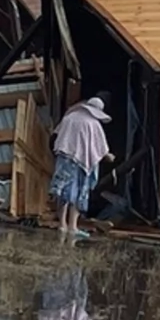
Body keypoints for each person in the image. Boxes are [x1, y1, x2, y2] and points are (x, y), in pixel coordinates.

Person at [49, 92, 115, 238]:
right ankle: (73, 226)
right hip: (81, 163)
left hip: (64, 158)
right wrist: (109, 157)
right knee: (79, 193)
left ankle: (62, 224)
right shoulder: (94, 124)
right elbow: (102, 150)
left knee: (63, 192)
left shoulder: (69, 118)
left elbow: (55, 136)